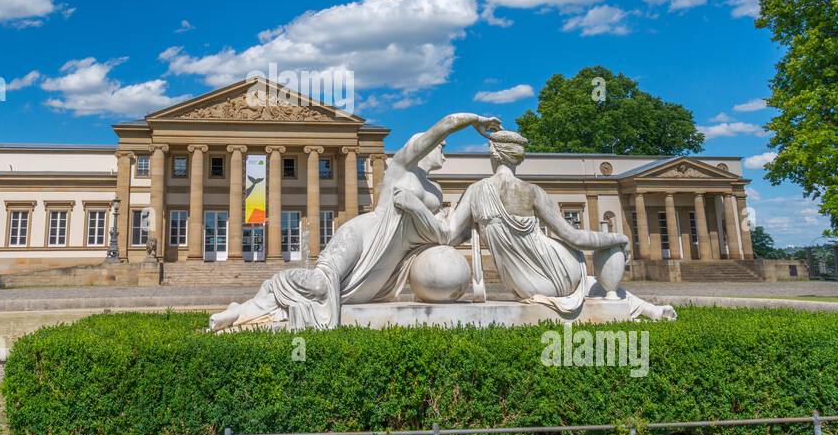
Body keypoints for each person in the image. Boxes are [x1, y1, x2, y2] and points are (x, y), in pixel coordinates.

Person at [209, 111, 502, 332]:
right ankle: (240, 313)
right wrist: (473, 119)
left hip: (385, 267)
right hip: (363, 238)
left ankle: (253, 315)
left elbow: (445, 235)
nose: (444, 150)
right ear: (421, 148)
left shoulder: (436, 191)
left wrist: (471, 201)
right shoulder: (399, 169)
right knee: (319, 284)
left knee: (330, 295)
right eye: (440, 146)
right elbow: (442, 127)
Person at [440, 130, 675, 321]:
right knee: (592, 283)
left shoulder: (475, 191)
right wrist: (618, 238)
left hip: (526, 284)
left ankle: (651, 310)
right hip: (559, 268)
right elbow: (575, 238)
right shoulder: (533, 192)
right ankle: (651, 310)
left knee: (592, 285)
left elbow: (448, 235)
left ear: (494, 153)